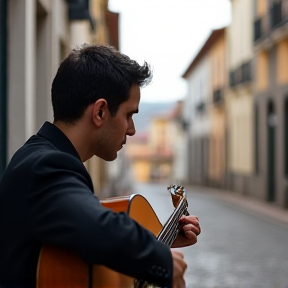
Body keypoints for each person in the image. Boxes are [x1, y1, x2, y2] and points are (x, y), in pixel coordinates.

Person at [0, 44, 201, 288]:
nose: (132, 129)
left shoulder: (43, 157)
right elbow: (97, 227)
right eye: (129, 115)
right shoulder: (48, 165)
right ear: (100, 111)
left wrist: (161, 238)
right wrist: (161, 261)